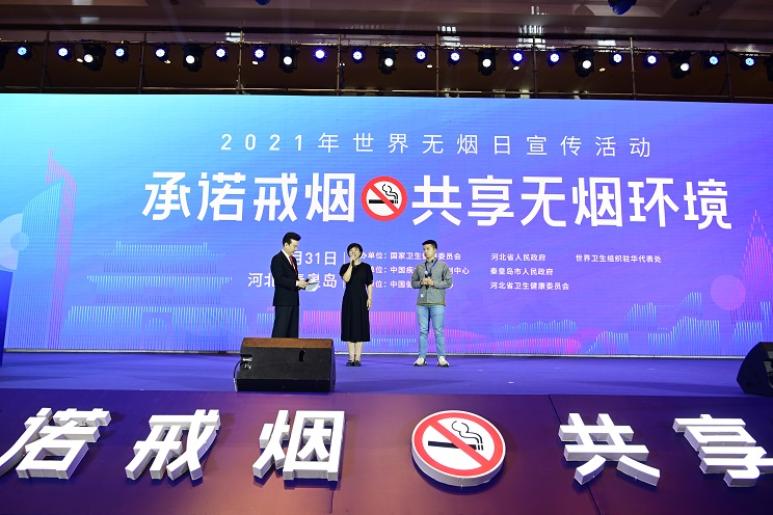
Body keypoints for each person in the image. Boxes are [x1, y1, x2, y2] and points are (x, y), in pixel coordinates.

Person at [410, 239, 453, 367]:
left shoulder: (442, 266)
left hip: (437, 302)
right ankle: (421, 357)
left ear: (435, 250)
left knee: (438, 331)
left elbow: (449, 282)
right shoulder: (420, 267)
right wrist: (421, 282)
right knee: (423, 331)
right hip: (422, 302)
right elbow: (413, 283)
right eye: (424, 249)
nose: (425, 251)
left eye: (428, 249)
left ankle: (441, 358)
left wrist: (433, 283)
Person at [339, 243, 373, 367]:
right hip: (349, 299)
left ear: (361, 252)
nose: (353, 252)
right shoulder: (344, 267)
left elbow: (369, 283)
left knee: (360, 327)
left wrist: (370, 298)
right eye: (351, 250)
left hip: (362, 299)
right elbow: (346, 279)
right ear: (348, 253)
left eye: (356, 250)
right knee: (349, 326)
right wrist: (351, 265)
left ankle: (357, 358)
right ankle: (350, 358)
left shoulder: (366, 267)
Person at [270, 232, 308, 338]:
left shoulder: (293, 260)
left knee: (293, 334)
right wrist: (296, 283)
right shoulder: (277, 259)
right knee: (280, 331)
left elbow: (292, 279)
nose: (296, 249)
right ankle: (275, 350)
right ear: (286, 244)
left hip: (294, 301)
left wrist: (301, 283)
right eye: (294, 246)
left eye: (297, 246)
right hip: (283, 302)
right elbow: (279, 279)